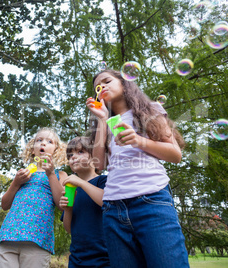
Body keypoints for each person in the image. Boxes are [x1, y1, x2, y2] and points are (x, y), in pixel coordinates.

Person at [86, 69, 189, 268]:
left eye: (107, 81)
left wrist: (139, 141)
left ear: (125, 84)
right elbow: (99, 165)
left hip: (151, 201)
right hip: (112, 208)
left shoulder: (149, 110)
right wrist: (101, 119)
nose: (102, 87)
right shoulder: (106, 122)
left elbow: (175, 155)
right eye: (98, 87)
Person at [0, 127, 68, 268]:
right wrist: (16, 183)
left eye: (49, 141)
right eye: (39, 140)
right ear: (32, 148)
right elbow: (4, 205)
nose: (43, 144)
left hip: (37, 239)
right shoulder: (23, 174)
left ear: (56, 149)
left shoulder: (60, 175)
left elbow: (61, 204)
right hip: (9, 235)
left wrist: (51, 174)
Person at [59, 136, 110, 267]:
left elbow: (105, 201)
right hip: (77, 258)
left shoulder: (103, 181)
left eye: (80, 152)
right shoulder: (71, 189)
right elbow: (69, 229)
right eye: (70, 155)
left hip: (104, 256)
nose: (73, 157)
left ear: (95, 157)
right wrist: (68, 210)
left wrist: (81, 183)